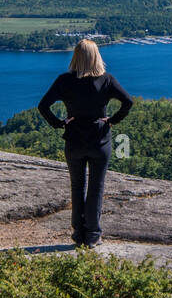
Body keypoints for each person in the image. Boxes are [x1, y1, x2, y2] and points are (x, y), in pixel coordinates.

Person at [37, 39, 133, 247]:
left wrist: (60, 123)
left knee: (77, 186)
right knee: (96, 187)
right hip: (99, 140)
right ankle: (93, 235)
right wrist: (112, 121)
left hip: (74, 141)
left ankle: (78, 234)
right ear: (96, 56)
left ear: (76, 57)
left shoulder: (64, 80)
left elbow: (43, 106)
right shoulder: (106, 80)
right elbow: (128, 102)